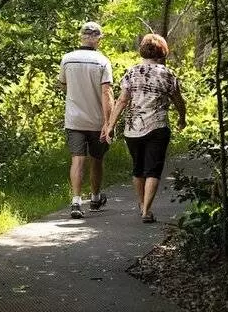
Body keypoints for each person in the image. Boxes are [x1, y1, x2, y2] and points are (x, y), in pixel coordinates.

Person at [101, 33, 186, 223]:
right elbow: (178, 100)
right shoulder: (167, 73)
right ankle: (146, 210)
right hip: (157, 127)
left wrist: (110, 126)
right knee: (153, 170)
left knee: (138, 169)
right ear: (162, 51)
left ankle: (141, 204)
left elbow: (122, 101)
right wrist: (182, 118)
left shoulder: (132, 72)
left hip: (133, 129)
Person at [57, 21, 114, 219]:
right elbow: (107, 93)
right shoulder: (103, 61)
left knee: (77, 160)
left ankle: (76, 201)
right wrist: (109, 122)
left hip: (74, 119)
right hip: (97, 120)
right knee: (97, 160)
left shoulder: (67, 59)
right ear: (99, 39)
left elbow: (64, 85)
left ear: (81, 36)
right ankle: (96, 197)